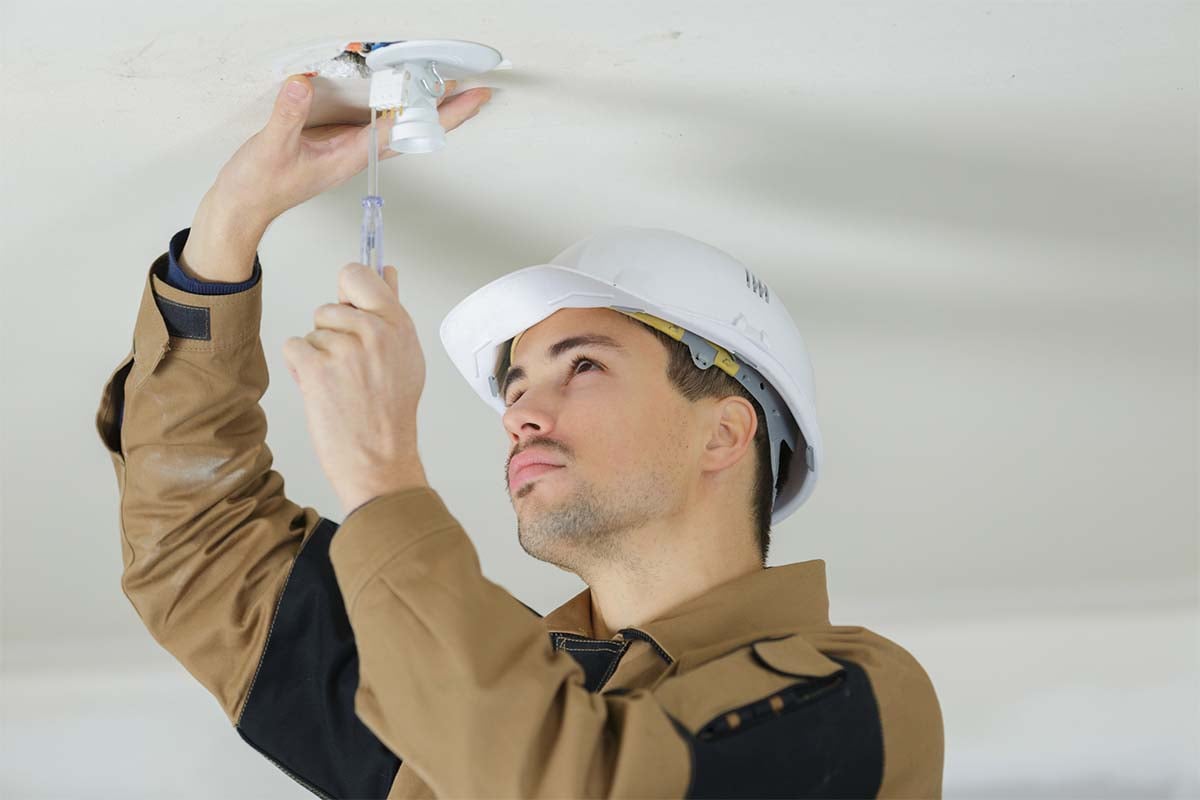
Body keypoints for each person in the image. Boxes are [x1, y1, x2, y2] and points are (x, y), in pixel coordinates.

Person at [96, 74, 944, 799]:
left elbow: (564, 778)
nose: (520, 415)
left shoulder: (858, 698)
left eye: (582, 367)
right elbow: (196, 544)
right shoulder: (453, 680)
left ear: (724, 431)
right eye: (516, 385)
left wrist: (383, 471)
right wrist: (227, 228)